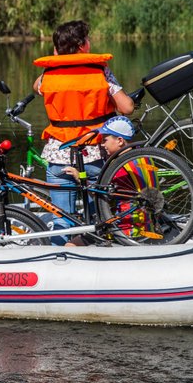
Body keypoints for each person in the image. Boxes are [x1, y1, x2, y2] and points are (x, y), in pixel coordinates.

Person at [32, 20, 134, 245]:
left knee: (62, 220)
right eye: (87, 39)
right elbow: (126, 107)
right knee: (99, 218)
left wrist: (58, 59)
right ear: (82, 46)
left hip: (58, 157)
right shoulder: (101, 71)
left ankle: (61, 260)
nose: (90, 42)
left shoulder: (48, 75)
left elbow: (36, 87)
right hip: (94, 158)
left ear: (58, 49)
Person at [63, 116, 135, 247]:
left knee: (71, 246)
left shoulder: (119, 167)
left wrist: (79, 178)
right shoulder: (143, 158)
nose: (102, 145)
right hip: (146, 223)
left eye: (105, 140)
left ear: (119, 140)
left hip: (125, 228)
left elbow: (102, 197)